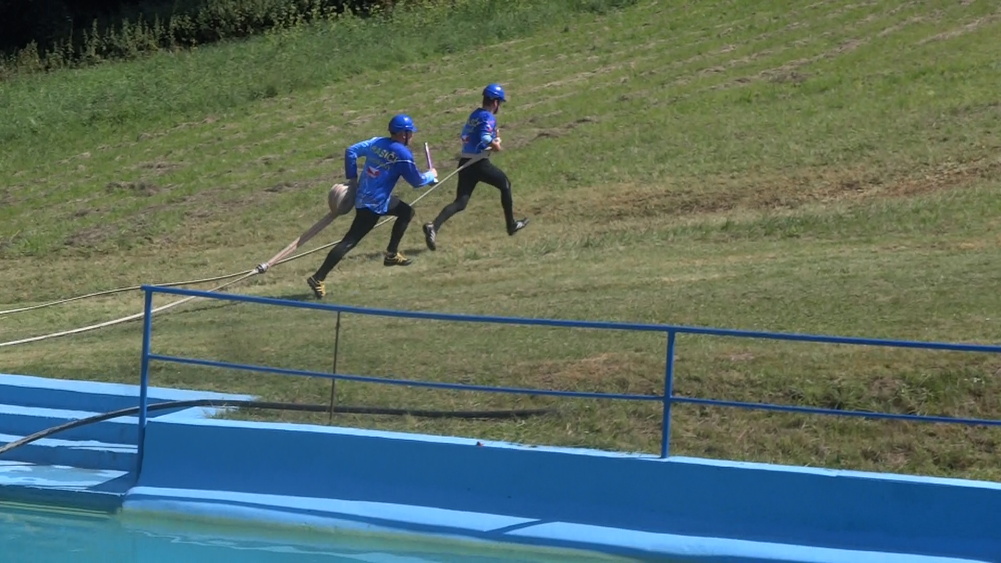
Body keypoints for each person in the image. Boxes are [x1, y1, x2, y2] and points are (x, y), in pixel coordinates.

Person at [306, 114, 437, 299]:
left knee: (406, 212)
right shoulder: (403, 155)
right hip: (374, 205)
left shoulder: (377, 142)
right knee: (349, 241)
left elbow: (351, 151)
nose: (412, 136)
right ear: (403, 134)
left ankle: (391, 254)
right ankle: (318, 278)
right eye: (410, 133)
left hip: (364, 197)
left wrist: (352, 180)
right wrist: (431, 174)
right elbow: (416, 181)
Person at [422, 83, 528, 251]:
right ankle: (511, 225)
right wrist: (495, 144)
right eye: (500, 103)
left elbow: (467, 135)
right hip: (478, 164)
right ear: (495, 102)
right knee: (505, 184)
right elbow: (484, 137)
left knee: (460, 202)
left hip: (465, 162)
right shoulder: (488, 117)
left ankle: (433, 226)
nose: (499, 106)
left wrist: (493, 139)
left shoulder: (475, 115)